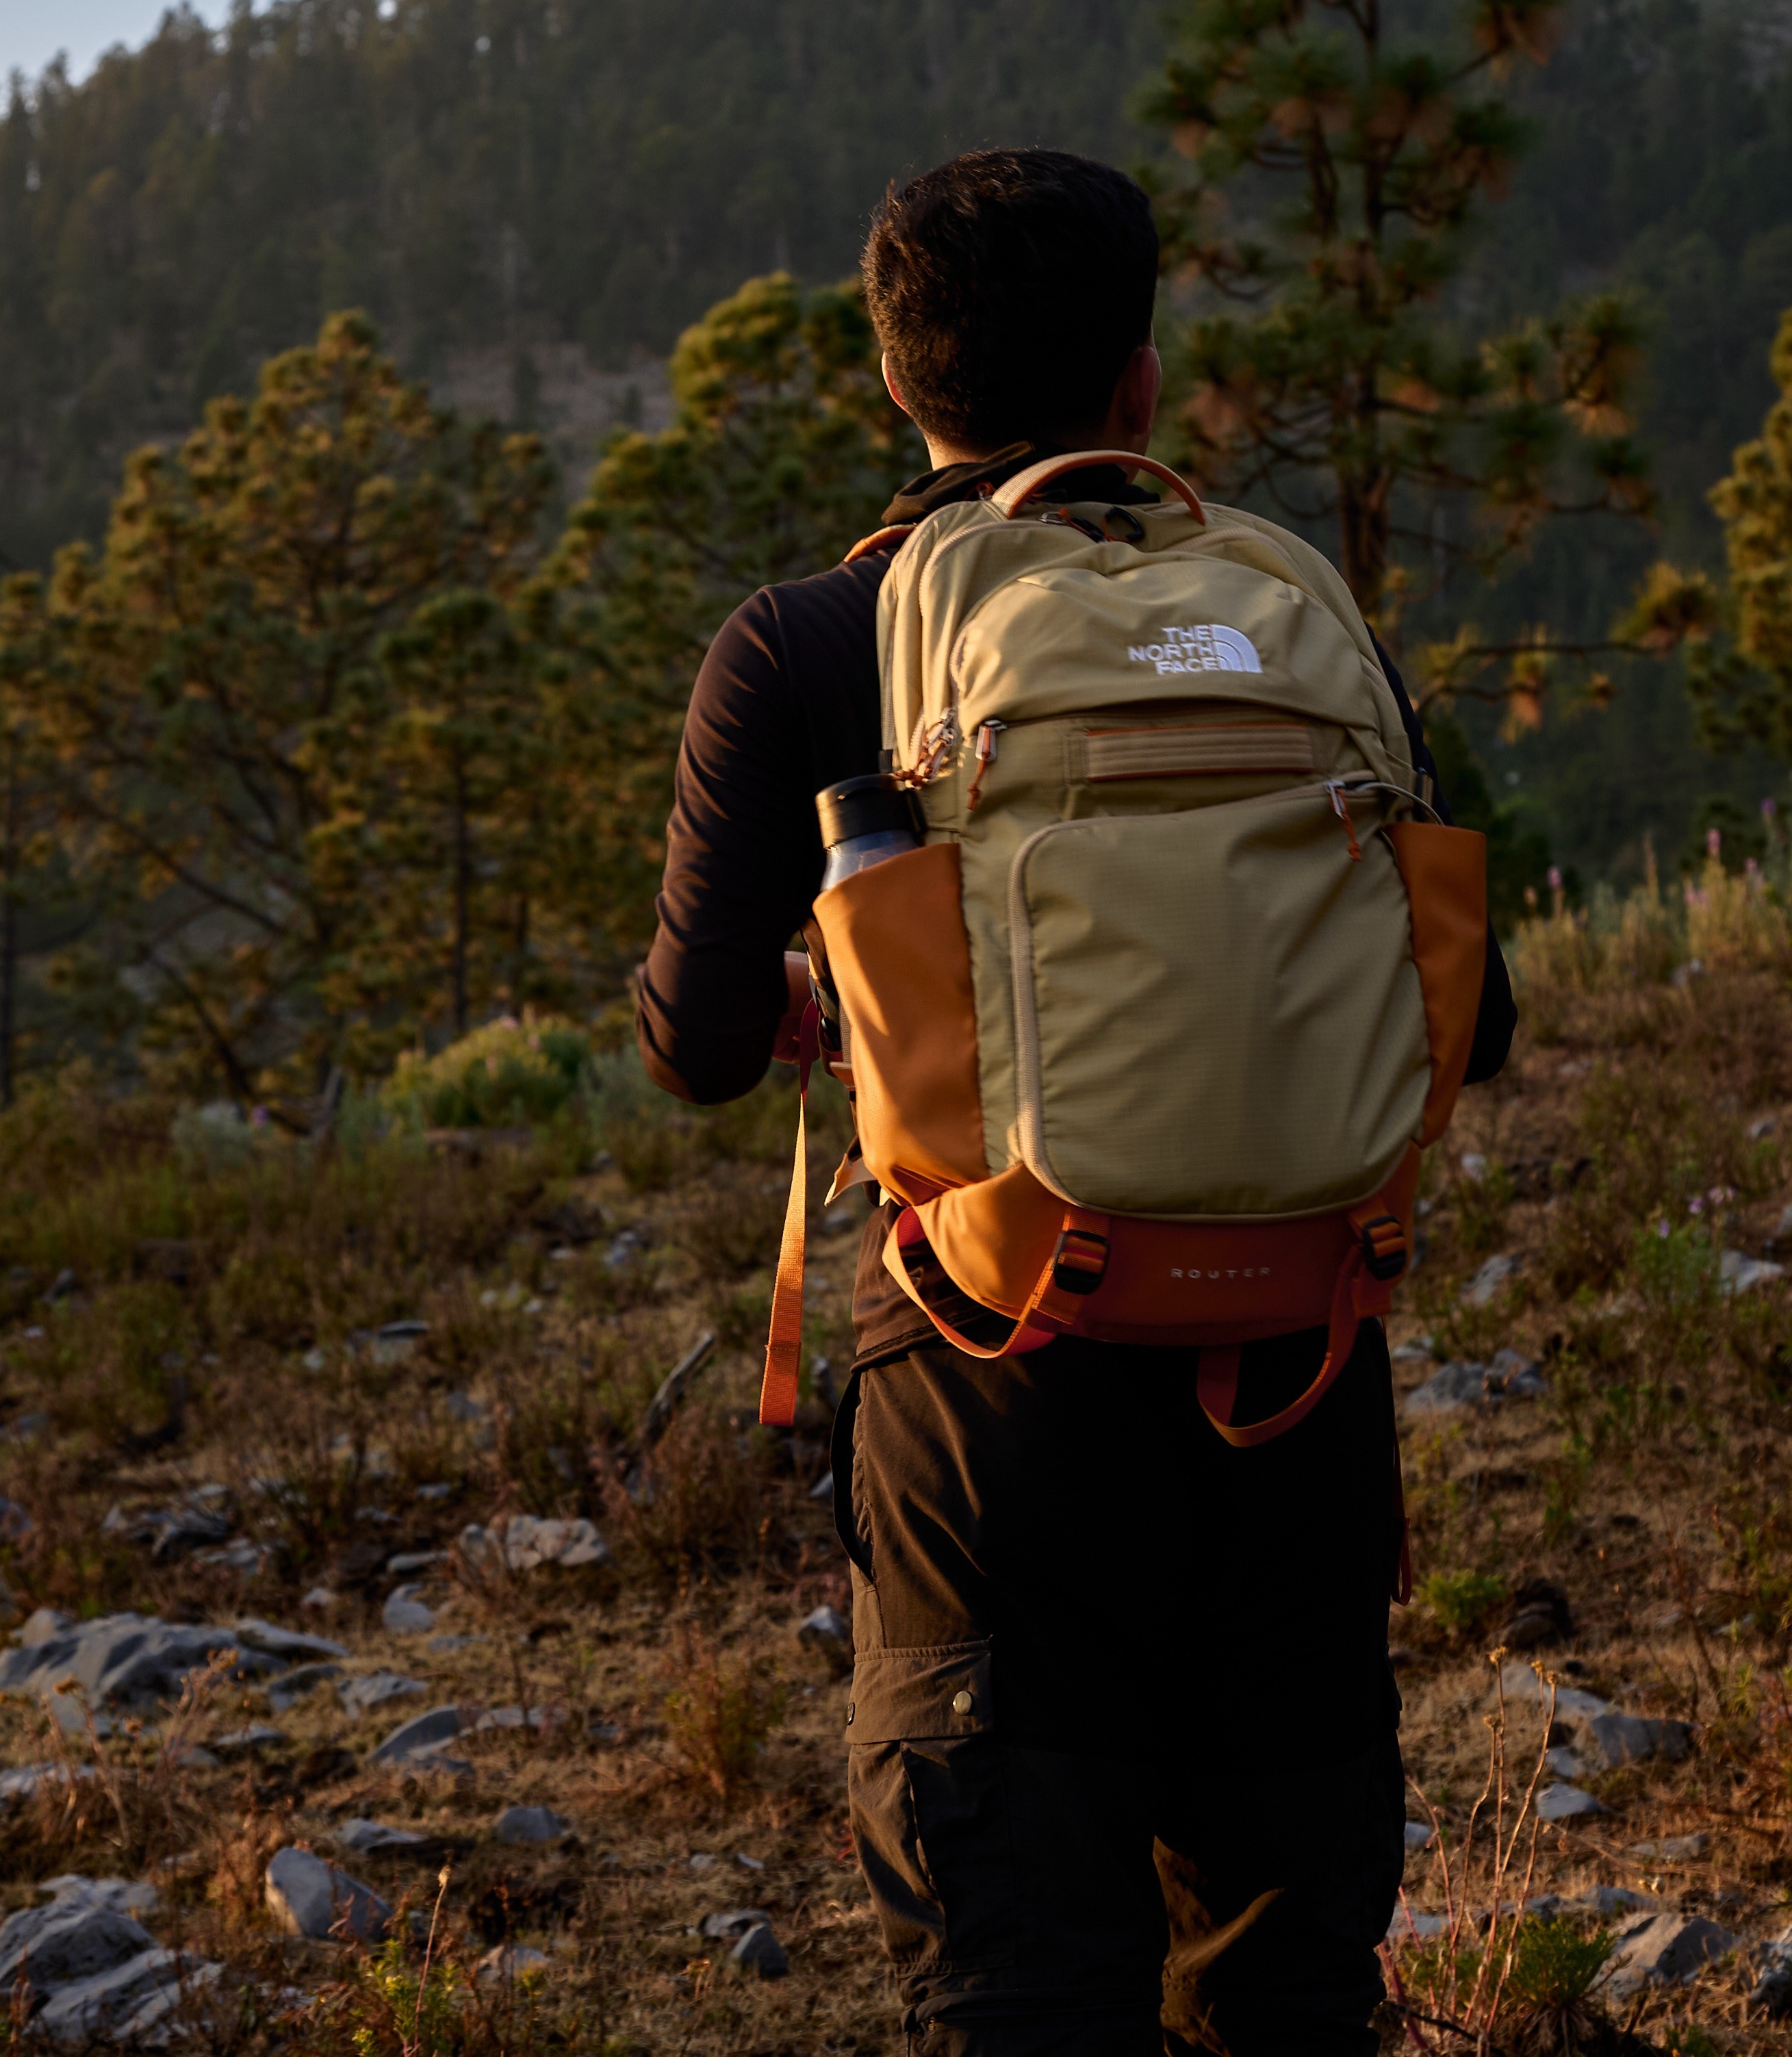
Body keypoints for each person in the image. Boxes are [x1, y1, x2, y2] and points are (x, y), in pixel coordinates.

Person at [634, 144, 1517, 2055]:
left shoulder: (807, 644)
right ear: (1141, 378)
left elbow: (696, 1047)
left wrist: (838, 991)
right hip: (1297, 1382)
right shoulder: (1298, 618)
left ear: (899, 381)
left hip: (990, 1393)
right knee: (1284, 1993)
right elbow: (1480, 1013)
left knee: (1024, 1984)